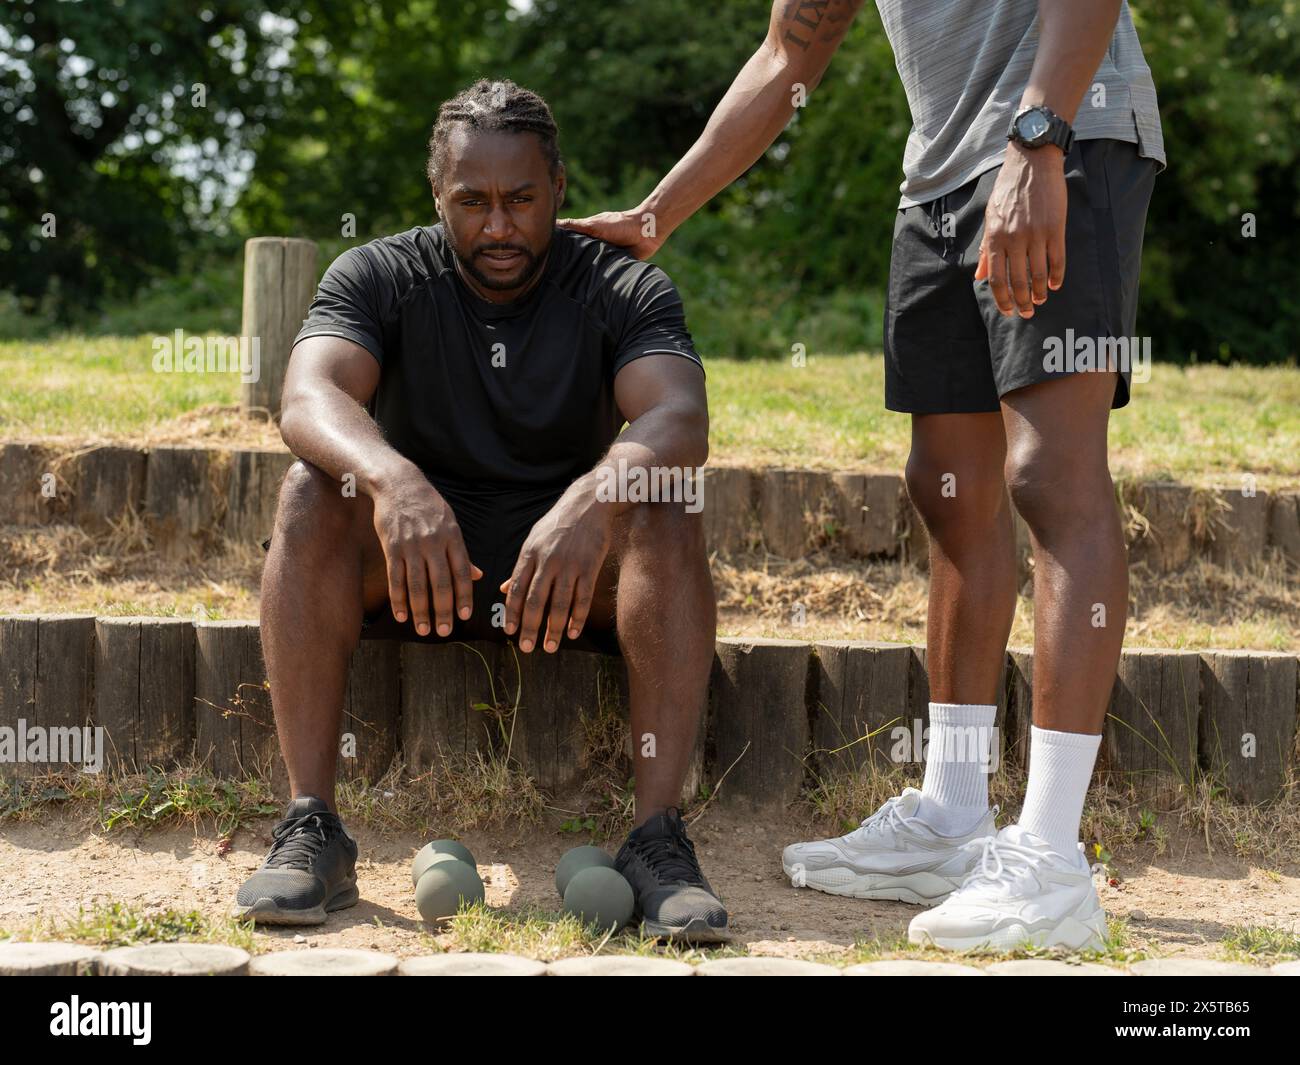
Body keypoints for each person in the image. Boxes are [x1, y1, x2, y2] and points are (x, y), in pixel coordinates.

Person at [564, 1, 1163, 951]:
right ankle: (954, 813)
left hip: (1065, 139)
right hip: (940, 174)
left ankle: (1050, 859)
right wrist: (656, 213)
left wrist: (1038, 137)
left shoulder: (1054, 138)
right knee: (947, 487)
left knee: (1051, 476)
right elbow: (787, 52)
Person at [235, 79, 728, 943]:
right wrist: (394, 480)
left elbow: (680, 416)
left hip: (570, 571)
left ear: (559, 192)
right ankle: (312, 825)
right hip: (424, 565)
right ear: (438, 197)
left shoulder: (620, 286)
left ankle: (658, 841)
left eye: (521, 200)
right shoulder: (379, 273)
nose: (498, 226)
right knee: (313, 488)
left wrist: (590, 498)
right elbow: (307, 396)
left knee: (664, 499)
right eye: (473, 202)